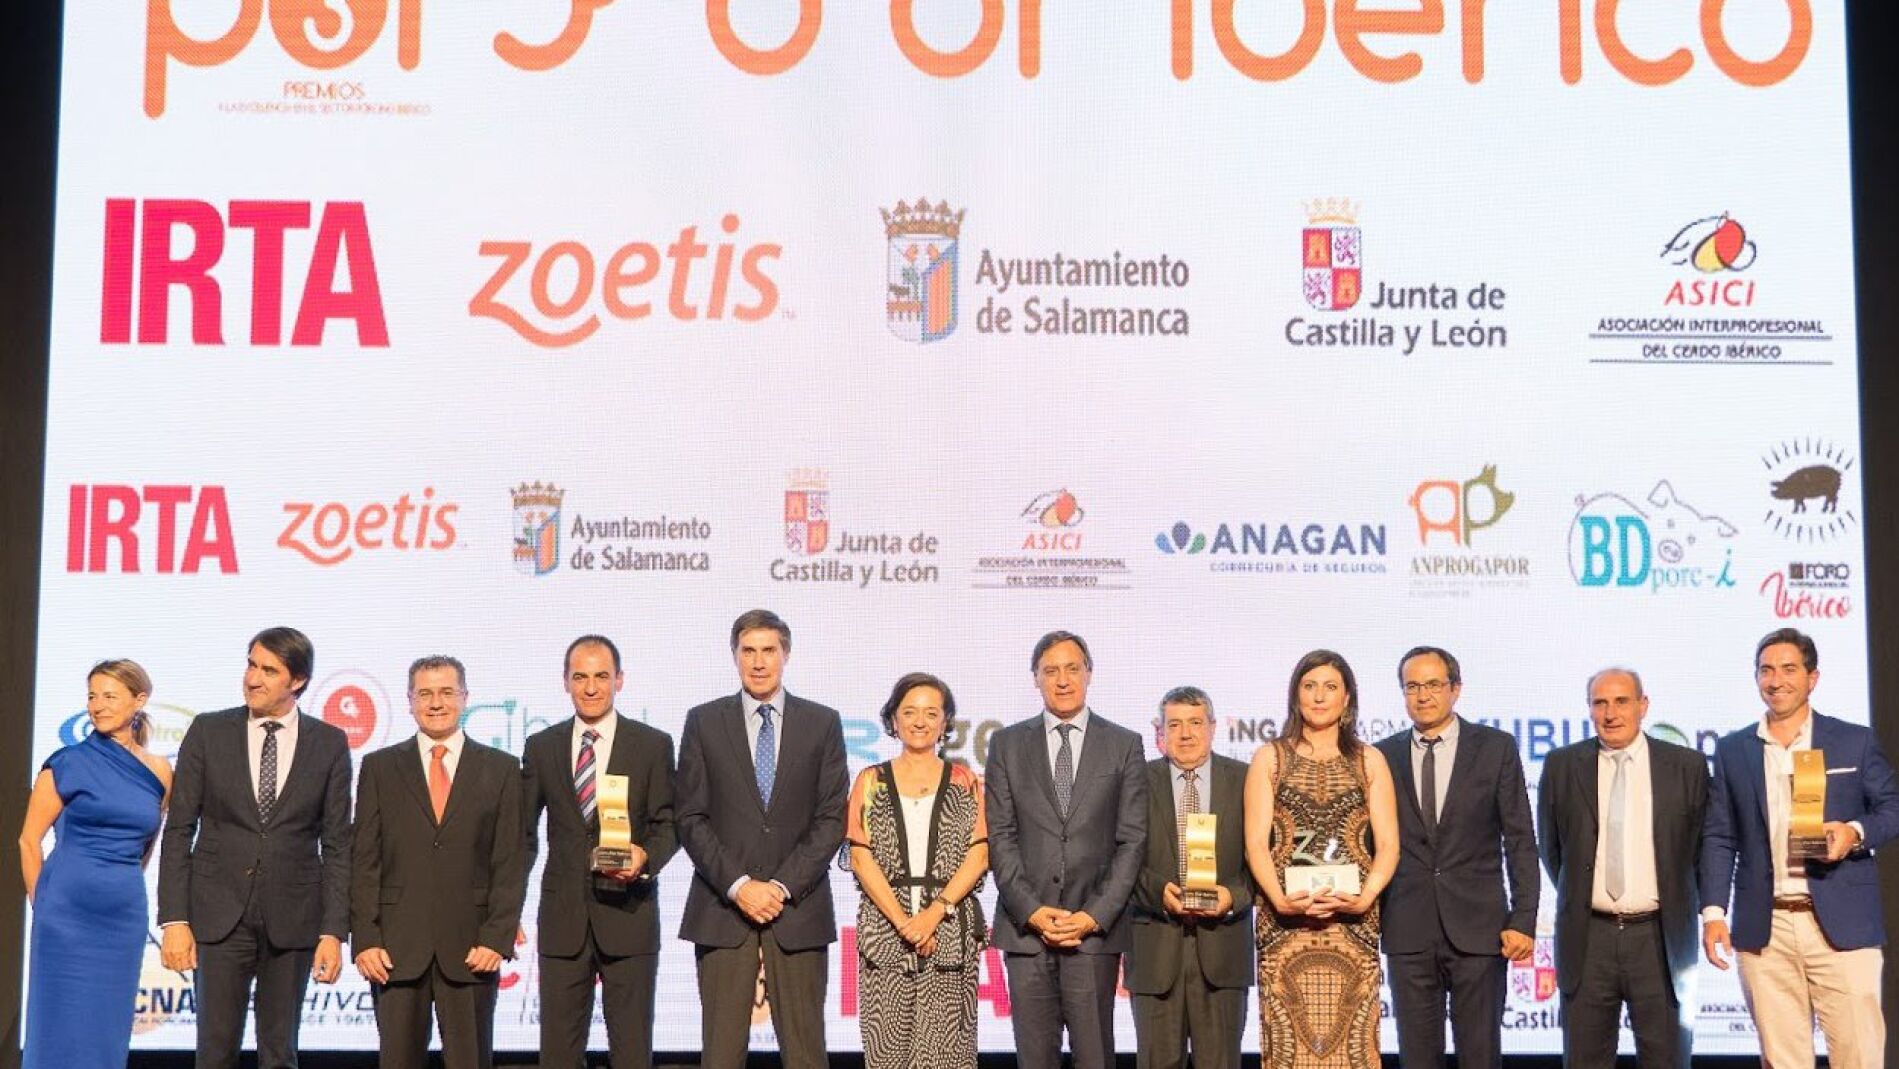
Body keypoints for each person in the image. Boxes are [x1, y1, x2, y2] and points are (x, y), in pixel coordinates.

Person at [1700, 628, 1899, 1069]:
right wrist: (1713, 913)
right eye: (1766, 670)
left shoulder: (1853, 741)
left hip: (1843, 927)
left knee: (1859, 1057)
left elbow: (1891, 808)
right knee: (1782, 1060)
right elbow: (1719, 835)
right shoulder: (1733, 750)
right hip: (1765, 928)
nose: (1776, 681)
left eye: (1789, 669)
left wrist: (1854, 832)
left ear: (1813, 678)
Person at [158, 626, 353, 1069]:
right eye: (251, 665)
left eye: (269, 670)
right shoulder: (208, 731)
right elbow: (179, 830)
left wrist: (332, 932)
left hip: (294, 918)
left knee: (280, 1053)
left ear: (297, 681)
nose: (252, 678)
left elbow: (338, 844)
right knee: (214, 1053)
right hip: (218, 915)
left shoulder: (329, 743)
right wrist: (175, 919)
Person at [676, 610, 848, 1069]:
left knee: (806, 1055)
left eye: (768, 650)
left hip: (798, 909)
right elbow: (690, 817)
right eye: (748, 651)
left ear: (785, 654)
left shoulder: (822, 723)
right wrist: (740, 886)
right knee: (720, 1055)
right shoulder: (704, 721)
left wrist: (780, 886)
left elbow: (832, 818)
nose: (758, 662)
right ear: (734, 656)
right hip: (722, 909)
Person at [350, 655, 528, 1069]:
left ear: (465, 697)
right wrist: (366, 939)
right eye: (425, 694)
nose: (436, 703)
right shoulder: (379, 767)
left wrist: (496, 937)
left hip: (472, 949)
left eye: (447, 692)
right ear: (409, 701)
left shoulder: (501, 768)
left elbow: (509, 860)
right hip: (394, 951)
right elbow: (364, 860)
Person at [985, 630, 1148, 1069]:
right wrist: (1033, 911)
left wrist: (1093, 915)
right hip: (1026, 933)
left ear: (1089, 674)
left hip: (1092, 935)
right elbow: (1001, 836)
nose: (1062, 680)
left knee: (1095, 1058)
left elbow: (1132, 840)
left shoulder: (1123, 744)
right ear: (1035, 678)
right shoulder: (1006, 744)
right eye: (1050, 671)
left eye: (1072, 669)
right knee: (1034, 1059)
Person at [1374, 645, 1538, 1069]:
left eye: (1433, 684)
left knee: (1480, 1056)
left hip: (1480, 930)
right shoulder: (1381, 756)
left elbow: (1520, 839)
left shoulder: (1495, 748)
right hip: (1408, 929)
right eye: (1412, 686)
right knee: (1416, 1058)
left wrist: (1523, 919)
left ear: (1455, 689)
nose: (1422, 695)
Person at [1538, 668, 1709, 1069]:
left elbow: (1701, 849)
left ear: (1643, 706)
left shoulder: (1686, 766)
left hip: (1661, 939)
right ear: (1589, 709)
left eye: (1621, 702)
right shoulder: (1562, 765)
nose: (1610, 713)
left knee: (1668, 1060)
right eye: (1600, 703)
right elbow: (1552, 849)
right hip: (1588, 939)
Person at [523, 635, 679, 1069]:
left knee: (632, 1053)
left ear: (619, 680)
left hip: (629, 916)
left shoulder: (652, 744)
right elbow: (521, 835)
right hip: (563, 921)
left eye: (601, 676)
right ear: (565, 682)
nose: (591, 687)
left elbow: (669, 824)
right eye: (580, 677)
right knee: (557, 1054)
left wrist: (645, 858)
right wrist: (506, 912)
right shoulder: (542, 746)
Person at [1245, 651, 1398, 1069]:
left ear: (1347, 698)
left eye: (1330, 687)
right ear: (1295, 695)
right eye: (1309, 686)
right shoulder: (1270, 758)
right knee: (1289, 1048)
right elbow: (1255, 844)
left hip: (1353, 925)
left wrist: (1365, 898)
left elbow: (1388, 845)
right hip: (1285, 925)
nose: (1318, 696)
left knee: (1353, 1047)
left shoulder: (1369, 759)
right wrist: (1279, 900)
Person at [19, 659, 171, 1069]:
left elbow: (147, 844)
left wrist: (119, 886)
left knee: (106, 1027)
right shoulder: (66, 763)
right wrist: (43, 906)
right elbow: (28, 841)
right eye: (92, 696)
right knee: (58, 1025)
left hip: (122, 916)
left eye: (109, 696)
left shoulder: (160, 771)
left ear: (139, 700)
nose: (97, 706)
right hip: (64, 914)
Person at [844, 672, 990, 1069]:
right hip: (884, 934)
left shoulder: (966, 781)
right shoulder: (869, 781)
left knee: (949, 1055)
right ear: (893, 719)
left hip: (950, 933)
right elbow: (861, 857)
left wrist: (932, 914)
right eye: (909, 712)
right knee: (887, 1053)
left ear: (945, 722)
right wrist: (904, 922)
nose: (919, 721)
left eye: (931, 713)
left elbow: (979, 855)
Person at [1127, 687, 1254, 1069]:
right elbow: (1118, 859)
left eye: (1195, 723)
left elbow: (1263, 858)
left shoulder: (1245, 780)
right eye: (1175, 724)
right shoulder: (1135, 780)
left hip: (1223, 949)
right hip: (1155, 949)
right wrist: (1156, 893)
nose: (1185, 734)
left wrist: (1233, 896)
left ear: (1212, 728)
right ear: (1160, 731)